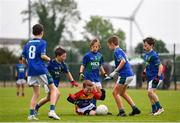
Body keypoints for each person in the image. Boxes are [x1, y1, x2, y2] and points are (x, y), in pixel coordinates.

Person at [22, 24, 60, 120]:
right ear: (42, 32)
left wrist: (29, 66)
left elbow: (23, 59)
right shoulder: (42, 42)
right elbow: (43, 56)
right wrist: (49, 59)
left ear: (33, 32)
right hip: (41, 69)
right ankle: (52, 111)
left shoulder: (27, 44)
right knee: (54, 90)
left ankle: (31, 115)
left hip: (31, 71)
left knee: (36, 93)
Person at [35, 47, 78, 113]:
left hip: (55, 84)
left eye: (65, 56)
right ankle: (52, 111)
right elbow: (43, 70)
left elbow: (67, 72)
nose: (65, 58)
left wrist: (72, 81)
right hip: (48, 83)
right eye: (63, 56)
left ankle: (36, 107)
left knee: (48, 98)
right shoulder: (51, 63)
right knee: (57, 93)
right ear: (58, 56)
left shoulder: (63, 64)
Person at [107, 35, 141, 117]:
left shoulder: (116, 51)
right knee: (122, 93)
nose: (108, 47)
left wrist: (115, 71)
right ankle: (135, 109)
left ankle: (121, 111)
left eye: (108, 45)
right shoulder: (120, 50)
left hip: (125, 75)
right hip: (130, 74)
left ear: (112, 43)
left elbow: (123, 61)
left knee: (115, 92)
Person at [79, 38, 107, 106]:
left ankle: (92, 106)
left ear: (99, 47)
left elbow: (100, 66)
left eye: (96, 46)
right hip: (89, 78)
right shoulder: (87, 55)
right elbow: (83, 65)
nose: (95, 48)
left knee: (99, 93)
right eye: (93, 46)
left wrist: (104, 74)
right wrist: (81, 73)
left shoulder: (100, 56)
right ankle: (88, 106)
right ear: (91, 46)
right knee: (91, 92)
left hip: (96, 78)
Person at [141, 37, 164, 115]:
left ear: (151, 46)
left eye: (146, 45)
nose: (144, 47)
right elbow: (148, 65)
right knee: (149, 94)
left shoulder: (154, 55)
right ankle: (154, 110)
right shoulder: (147, 55)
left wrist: (157, 77)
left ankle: (160, 108)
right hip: (150, 77)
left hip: (156, 77)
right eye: (144, 45)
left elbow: (161, 66)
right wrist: (144, 73)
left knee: (150, 92)